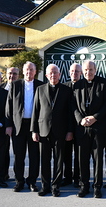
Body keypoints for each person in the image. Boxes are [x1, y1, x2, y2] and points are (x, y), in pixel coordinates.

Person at [31, 64, 74, 197]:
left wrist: (70, 131)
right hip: (43, 131)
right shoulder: (40, 89)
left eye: (55, 73)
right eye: (51, 73)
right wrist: (34, 130)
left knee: (58, 161)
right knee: (44, 160)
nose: (53, 75)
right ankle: (45, 186)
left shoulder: (66, 90)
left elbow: (70, 113)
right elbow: (35, 110)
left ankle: (56, 186)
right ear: (46, 75)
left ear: (60, 75)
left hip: (60, 131)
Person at [72, 60, 106, 198]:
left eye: (91, 69)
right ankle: (84, 186)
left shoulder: (103, 83)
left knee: (98, 159)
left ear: (95, 70)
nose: (88, 72)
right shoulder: (77, 85)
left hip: (98, 128)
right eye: (86, 70)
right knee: (82, 159)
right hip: (82, 128)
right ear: (82, 71)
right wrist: (80, 119)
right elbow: (73, 106)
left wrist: (95, 117)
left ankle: (97, 187)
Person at [5, 61, 44, 192]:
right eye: (27, 69)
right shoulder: (15, 85)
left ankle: (32, 181)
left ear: (35, 71)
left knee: (34, 155)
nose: (29, 72)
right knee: (18, 155)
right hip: (18, 126)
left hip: (35, 127)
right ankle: (19, 181)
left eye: (31, 70)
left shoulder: (41, 85)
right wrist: (8, 125)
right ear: (23, 71)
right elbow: (8, 106)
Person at [62, 63, 82, 188]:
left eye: (77, 71)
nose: (74, 73)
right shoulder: (64, 87)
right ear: (69, 72)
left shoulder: (84, 86)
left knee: (79, 154)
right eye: (72, 71)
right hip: (66, 126)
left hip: (80, 126)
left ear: (81, 73)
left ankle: (77, 178)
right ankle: (67, 177)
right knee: (66, 154)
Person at [1, 66, 19, 181]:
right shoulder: (1, 87)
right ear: (6, 74)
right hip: (3, 124)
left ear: (18, 75)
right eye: (10, 73)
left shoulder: (21, 87)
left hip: (18, 124)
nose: (12, 76)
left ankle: (18, 175)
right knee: (4, 150)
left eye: (14, 74)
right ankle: (4, 174)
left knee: (18, 152)